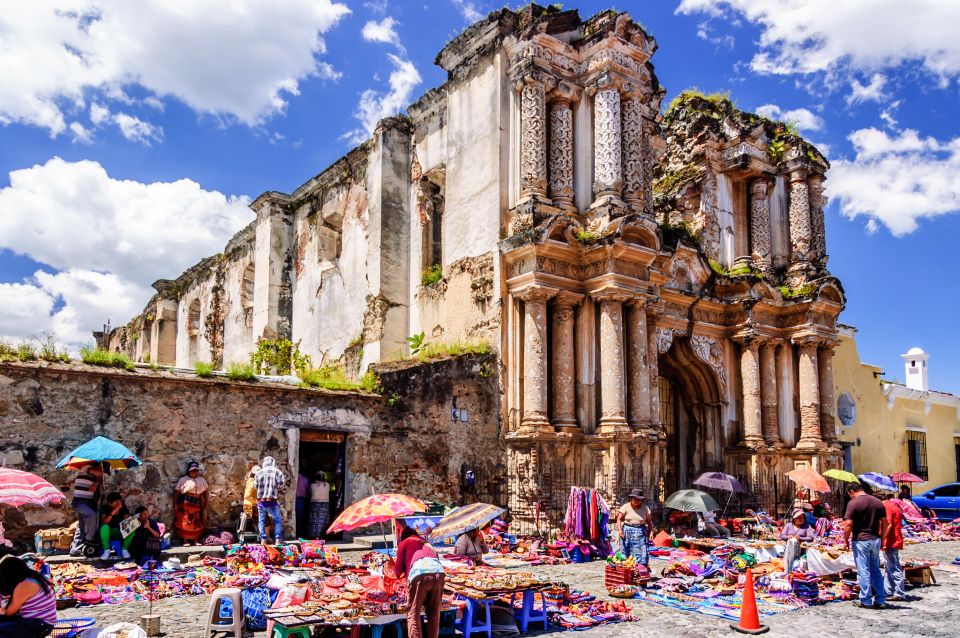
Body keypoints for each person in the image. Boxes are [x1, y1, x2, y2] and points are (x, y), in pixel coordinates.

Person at [843, 482, 889, 609]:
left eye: (849, 494)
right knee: (876, 570)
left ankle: (866, 600)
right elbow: (885, 523)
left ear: (852, 491)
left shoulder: (853, 503)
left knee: (863, 570)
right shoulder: (877, 502)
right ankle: (881, 599)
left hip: (861, 540)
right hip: (875, 539)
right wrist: (883, 538)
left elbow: (848, 524)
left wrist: (845, 540)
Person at [394, 527, 445, 638]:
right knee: (434, 613)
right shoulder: (427, 543)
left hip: (419, 574)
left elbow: (397, 572)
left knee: (413, 614)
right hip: (439, 573)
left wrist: (391, 565)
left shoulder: (404, 543)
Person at [0, 555, 56, 637]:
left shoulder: (25, 585)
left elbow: (9, 612)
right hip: (39, 622)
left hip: (40, 624)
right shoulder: (35, 578)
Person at [70, 463, 103, 554]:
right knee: (91, 515)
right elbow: (99, 472)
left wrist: (97, 481)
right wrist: (100, 474)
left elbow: (92, 490)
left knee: (81, 525)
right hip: (79, 502)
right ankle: (89, 540)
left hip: (86, 502)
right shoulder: (86, 468)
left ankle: (75, 549)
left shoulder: (94, 477)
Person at [173, 461, 208, 546]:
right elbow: (176, 492)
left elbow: (206, 492)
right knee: (185, 521)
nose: (194, 472)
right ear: (189, 471)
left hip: (197, 504)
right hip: (185, 504)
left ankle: (196, 540)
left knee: (196, 522)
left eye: (196, 470)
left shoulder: (201, 480)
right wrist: (175, 503)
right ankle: (185, 540)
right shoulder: (183, 480)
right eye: (192, 470)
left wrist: (206, 503)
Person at [616, 489, 653, 566]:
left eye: (639, 499)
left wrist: (651, 532)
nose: (636, 501)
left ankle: (641, 569)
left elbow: (649, 522)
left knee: (642, 552)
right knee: (626, 553)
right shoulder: (625, 507)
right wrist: (620, 531)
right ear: (631, 498)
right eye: (634, 499)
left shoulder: (645, 509)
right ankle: (627, 570)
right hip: (627, 533)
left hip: (640, 533)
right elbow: (618, 519)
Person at [881, 494, 906, 601]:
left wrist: (883, 539)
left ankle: (899, 593)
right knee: (889, 567)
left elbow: (889, 524)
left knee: (894, 567)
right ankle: (888, 590)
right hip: (894, 539)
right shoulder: (893, 506)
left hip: (891, 541)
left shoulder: (886, 507)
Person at [255, 456, 286, 544]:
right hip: (272, 501)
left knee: (261, 521)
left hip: (261, 501)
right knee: (277, 520)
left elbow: (255, 486)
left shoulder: (259, 472)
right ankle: (278, 539)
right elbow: (281, 483)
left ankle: (263, 539)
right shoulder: (277, 471)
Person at [99, 492, 132, 560]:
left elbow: (127, 519)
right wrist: (114, 511)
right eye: (116, 503)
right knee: (104, 527)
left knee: (132, 528)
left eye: (119, 502)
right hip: (109, 532)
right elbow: (104, 522)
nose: (119, 504)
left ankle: (124, 549)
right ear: (110, 503)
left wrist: (130, 519)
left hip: (120, 531)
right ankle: (106, 550)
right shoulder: (106, 508)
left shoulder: (123, 507)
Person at [238, 464, 260, 535]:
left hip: (246, 505)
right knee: (259, 514)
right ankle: (258, 529)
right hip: (254, 506)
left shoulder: (249, 481)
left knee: (245, 514)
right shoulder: (255, 482)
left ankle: (241, 529)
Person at [308, 472, 331, 539]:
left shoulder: (312, 485)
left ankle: (315, 535)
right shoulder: (327, 485)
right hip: (325, 505)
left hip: (315, 504)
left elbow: (310, 492)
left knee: (315, 521)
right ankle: (321, 535)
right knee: (323, 520)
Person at [295, 473, 309, 538]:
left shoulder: (294, 479)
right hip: (301, 500)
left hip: (292, 499)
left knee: (293, 517)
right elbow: (307, 490)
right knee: (299, 518)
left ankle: (295, 533)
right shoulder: (305, 480)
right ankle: (298, 533)